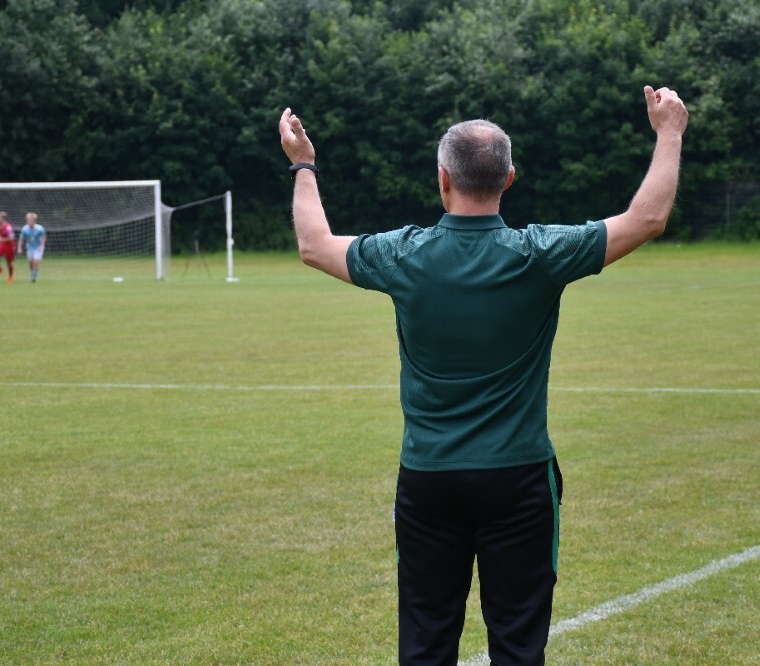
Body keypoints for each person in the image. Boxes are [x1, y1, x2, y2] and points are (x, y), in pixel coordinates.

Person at [279, 85, 687, 665]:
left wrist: (303, 165)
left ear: (442, 179)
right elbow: (647, 218)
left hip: (429, 481)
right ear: (510, 179)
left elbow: (315, 246)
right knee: (519, 647)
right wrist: (669, 132)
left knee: (426, 643)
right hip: (518, 481)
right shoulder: (541, 254)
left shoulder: (404, 255)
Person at [17, 212, 47, 282]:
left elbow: (44, 238)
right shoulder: (25, 229)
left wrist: (41, 246)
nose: (29, 222)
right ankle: (32, 273)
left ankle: (34, 276)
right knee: (31, 263)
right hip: (30, 248)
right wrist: (19, 248)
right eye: (28, 220)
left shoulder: (40, 229)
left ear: (34, 221)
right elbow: (21, 239)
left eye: (31, 220)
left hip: (38, 247)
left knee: (35, 262)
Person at [0, 211, 15, 282]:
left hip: (10, 246)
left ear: (3, 219)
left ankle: (11, 277)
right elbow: (1, 234)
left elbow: (12, 238)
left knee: (9, 262)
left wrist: (0, 239)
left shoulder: (8, 227)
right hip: (2, 245)